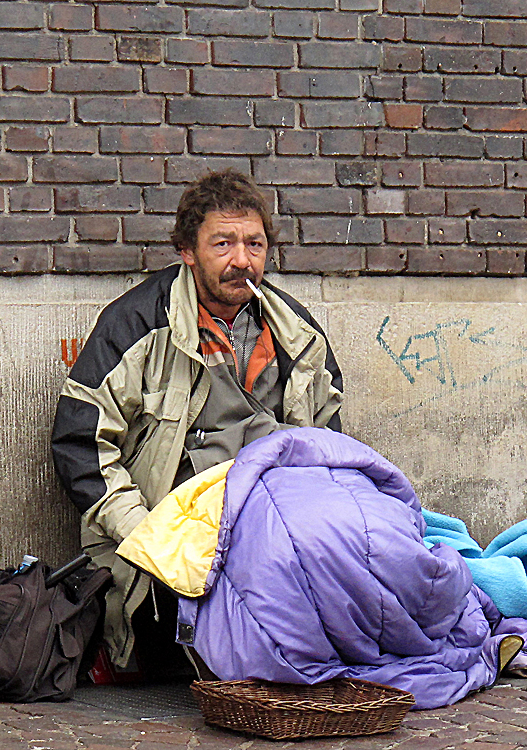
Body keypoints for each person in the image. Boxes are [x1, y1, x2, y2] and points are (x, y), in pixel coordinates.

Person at [51, 169, 343, 671]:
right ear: (187, 250)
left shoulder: (298, 334)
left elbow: (330, 447)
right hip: (171, 539)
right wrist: (148, 536)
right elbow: (80, 443)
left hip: (270, 526)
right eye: (223, 244)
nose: (242, 261)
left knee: (386, 557)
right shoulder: (138, 324)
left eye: (255, 244)